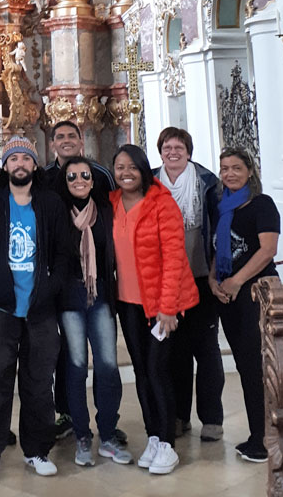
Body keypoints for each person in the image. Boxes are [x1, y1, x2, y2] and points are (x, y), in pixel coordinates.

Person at [0, 136, 70, 484]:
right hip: (1, 307)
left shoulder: (51, 204)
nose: (20, 165)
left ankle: (37, 450)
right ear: (6, 166)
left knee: (39, 382)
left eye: (26, 159)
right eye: (14, 159)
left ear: (34, 165)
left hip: (40, 307)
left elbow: (63, 254)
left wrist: (51, 287)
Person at [110, 144, 199, 476]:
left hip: (160, 305)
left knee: (158, 371)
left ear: (144, 169)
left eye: (132, 167)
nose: (126, 173)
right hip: (128, 303)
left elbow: (175, 258)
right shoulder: (114, 202)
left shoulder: (162, 203)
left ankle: (168, 444)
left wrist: (168, 308)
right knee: (142, 372)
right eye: (120, 167)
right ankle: (153, 436)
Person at [55, 157, 133, 468]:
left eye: (84, 175)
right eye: (72, 175)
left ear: (92, 179)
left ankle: (108, 433)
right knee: (75, 365)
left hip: (99, 294)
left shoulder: (104, 212)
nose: (78, 180)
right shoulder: (58, 213)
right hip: (69, 298)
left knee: (107, 364)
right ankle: (82, 435)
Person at [43, 120, 115, 440]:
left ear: (81, 142)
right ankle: (69, 418)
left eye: (72, 135)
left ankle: (106, 424)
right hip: (65, 289)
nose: (66, 140)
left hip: (98, 286)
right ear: (53, 144)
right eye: (60, 136)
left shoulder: (99, 176)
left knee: (105, 360)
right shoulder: (45, 180)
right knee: (70, 359)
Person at [208, 147, 280, 464]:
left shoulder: (262, 204)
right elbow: (216, 249)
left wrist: (237, 281)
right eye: (224, 168)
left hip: (256, 293)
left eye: (236, 168)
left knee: (256, 368)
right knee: (244, 366)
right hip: (228, 295)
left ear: (249, 171)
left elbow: (267, 251)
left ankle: (266, 440)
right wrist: (214, 281)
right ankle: (256, 436)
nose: (229, 174)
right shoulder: (223, 208)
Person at [154, 127, 224, 441]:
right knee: (177, 352)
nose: (172, 152)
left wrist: (215, 272)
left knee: (206, 349)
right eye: (167, 147)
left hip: (200, 277)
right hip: (168, 281)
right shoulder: (151, 182)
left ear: (188, 151)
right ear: (160, 151)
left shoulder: (207, 183)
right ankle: (181, 415)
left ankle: (211, 418)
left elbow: (220, 233)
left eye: (178, 147)